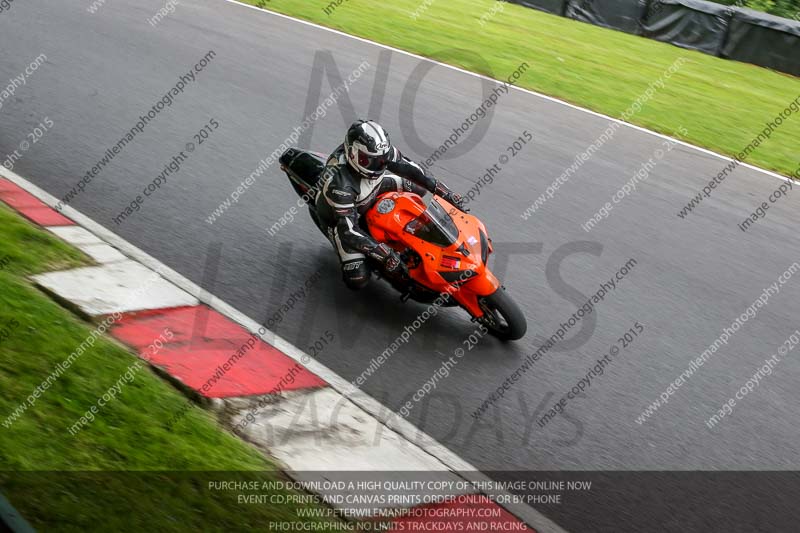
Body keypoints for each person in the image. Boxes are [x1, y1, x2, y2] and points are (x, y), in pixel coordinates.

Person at [315, 120, 465, 290]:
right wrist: (383, 254)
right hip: (340, 221)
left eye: (381, 161)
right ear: (352, 154)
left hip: (373, 188)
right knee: (358, 279)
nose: (377, 165)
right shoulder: (339, 184)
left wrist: (445, 192)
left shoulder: (380, 153)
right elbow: (348, 230)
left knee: (419, 188)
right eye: (368, 161)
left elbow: (413, 170)